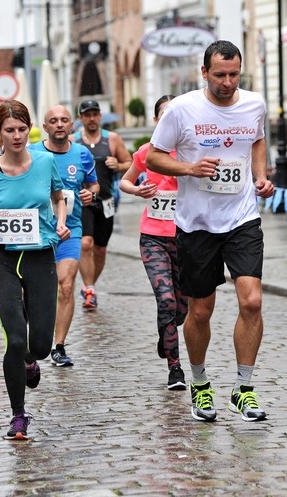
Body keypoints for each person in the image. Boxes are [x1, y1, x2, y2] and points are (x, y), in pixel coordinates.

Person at [146, 40, 275, 423]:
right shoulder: (183, 109)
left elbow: (257, 139)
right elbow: (154, 155)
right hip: (196, 224)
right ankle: (200, 385)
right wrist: (189, 169)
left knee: (251, 301)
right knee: (200, 310)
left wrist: (262, 176)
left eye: (234, 74)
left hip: (242, 218)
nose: (228, 81)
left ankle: (244, 388)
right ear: (204, 72)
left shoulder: (254, 104)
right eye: (220, 74)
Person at [0, 99, 69, 440]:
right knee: (13, 338)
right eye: (9, 130)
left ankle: (31, 359)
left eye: (22, 129)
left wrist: (62, 223)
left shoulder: (45, 162)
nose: (17, 136)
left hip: (40, 256)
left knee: (38, 344)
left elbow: (58, 196)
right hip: (4, 259)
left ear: (29, 129)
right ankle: (18, 416)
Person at [119, 94, 188, 390]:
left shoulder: (190, 151)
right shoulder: (146, 151)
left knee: (181, 310)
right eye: (164, 114)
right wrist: (137, 191)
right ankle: (175, 368)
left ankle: (166, 333)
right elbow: (125, 181)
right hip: (153, 238)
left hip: (187, 239)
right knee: (166, 300)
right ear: (157, 121)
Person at [28, 104, 98, 367]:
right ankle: (33, 339)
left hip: (71, 229)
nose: (59, 124)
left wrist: (91, 192)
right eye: (53, 120)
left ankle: (58, 346)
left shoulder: (82, 154)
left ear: (72, 126)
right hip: (35, 231)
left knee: (66, 284)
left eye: (64, 120)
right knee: (33, 291)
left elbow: (93, 184)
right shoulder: (32, 152)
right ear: (45, 127)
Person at [73, 99, 132, 310]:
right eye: (87, 114)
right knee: (85, 243)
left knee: (100, 249)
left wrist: (118, 164)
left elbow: (130, 163)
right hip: (83, 200)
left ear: (100, 116)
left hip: (106, 200)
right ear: (80, 118)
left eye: (95, 114)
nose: (91, 118)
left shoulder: (112, 139)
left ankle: (90, 284)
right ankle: (89, 289)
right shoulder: (74, 140)